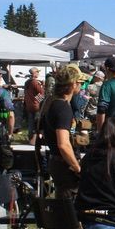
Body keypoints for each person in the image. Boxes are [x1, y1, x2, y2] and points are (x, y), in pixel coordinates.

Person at [38, 66, 83, 199]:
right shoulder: (62, 107)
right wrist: (77, 168)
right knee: (67, 208)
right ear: (73, 84)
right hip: (64, 165)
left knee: (62, 204)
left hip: (57, 162)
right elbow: (63, 144)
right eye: (80, 82)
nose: (81, 85)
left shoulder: (51, 101)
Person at [22, 68, 44, 142]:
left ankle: (30, 139)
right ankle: (35, 140)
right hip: (36, 106)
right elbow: (41, 93)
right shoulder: (35, 82)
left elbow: (34, 94)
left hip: (29, 105)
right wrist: (43, 85)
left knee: (31, 124)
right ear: (34, 73)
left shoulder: (27, 82)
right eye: (37, 72)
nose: (38, 73)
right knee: (37, 124)